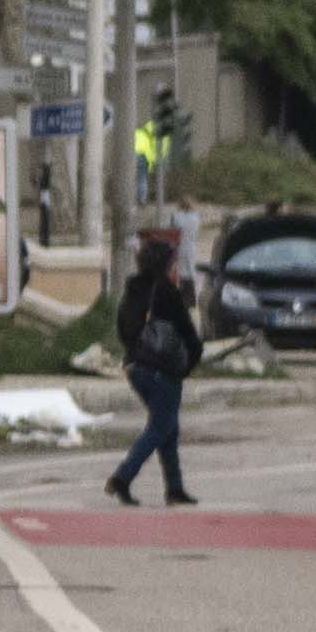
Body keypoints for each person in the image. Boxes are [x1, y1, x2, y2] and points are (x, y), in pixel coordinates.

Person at [103, 213, 205, 507]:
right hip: (164, 370)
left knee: (168, 428)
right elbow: (188, 333)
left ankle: (174, 487)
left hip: (136, 366)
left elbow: (124, 328)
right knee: (160, 427)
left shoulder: (131, 291)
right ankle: (122, 477)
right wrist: (188, 364)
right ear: (166, 264)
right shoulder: (167, 292)